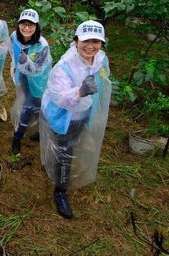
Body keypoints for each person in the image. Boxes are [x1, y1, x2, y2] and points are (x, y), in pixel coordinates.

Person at [39, 20, 111, 219]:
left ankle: (54, 166)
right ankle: (60, 191)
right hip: (62, 116)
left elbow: (103, 78)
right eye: (86, 40)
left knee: (71, 146)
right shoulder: (64, 66)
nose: (91, 46)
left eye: (96, 41)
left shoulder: (98, 59)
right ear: (76, 40)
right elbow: (60, 97)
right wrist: (80, 91)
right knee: (65, 151)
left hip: (82, 113)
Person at [8, 9, 52, 155]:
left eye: (31, 25)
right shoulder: (14, 36)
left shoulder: (42, 45)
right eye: (23, 24)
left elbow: (39, 69)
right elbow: (11, 52)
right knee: (26, 104)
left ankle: (24, 134)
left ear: (36, 26)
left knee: (32, 106)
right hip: (22, 77)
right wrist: (17, 67)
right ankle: (23, 133)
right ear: (18, 24)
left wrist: (27, 62)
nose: (27, 28)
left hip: (37, 81)